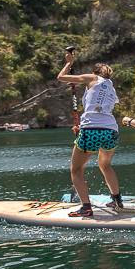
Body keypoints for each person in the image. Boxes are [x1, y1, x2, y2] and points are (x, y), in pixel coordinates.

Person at [57, 50, 122, 217]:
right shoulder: (111, 88)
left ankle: (86, 207)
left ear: (95, 72)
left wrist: (69, 63)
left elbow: (61, 77)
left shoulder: (92, 78)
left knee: (76, 169)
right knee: (105, 165)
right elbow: (99, 108)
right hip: (111, 131)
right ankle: (117, 200)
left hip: (91, 130)